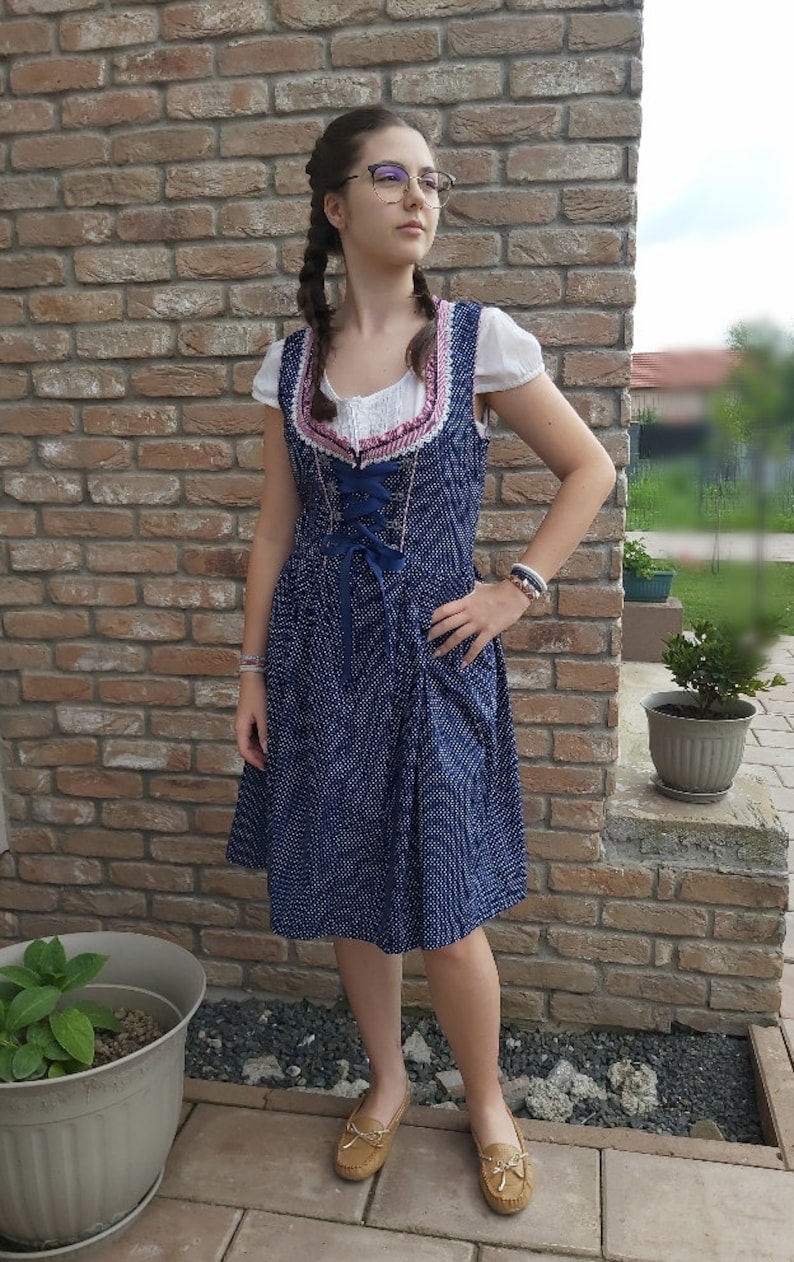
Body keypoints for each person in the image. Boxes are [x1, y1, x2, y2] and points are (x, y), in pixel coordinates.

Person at [227, 106, 616, 1215]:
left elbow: (586, 468)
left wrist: (516, 586)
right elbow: (272, 528)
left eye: (431, 180)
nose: (418, 196)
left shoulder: (476, 343)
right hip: (317, 665)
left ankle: (486, 1100)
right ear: (333, 204)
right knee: (355, 890)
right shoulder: (291, 363)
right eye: (390, 176)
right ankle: (388, 1081)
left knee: (445, 905)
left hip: (433, 671)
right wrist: (251, 672)